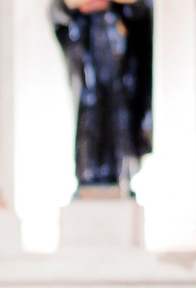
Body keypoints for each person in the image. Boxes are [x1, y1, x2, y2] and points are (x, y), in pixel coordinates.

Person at [52, 0, 152, 192]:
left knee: (118, 114)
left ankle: (120, 172)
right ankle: (88, 173)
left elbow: (141, 10)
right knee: (90, 115)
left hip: (119, 69)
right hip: (88, 64)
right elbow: (58, 11)